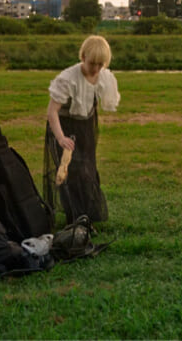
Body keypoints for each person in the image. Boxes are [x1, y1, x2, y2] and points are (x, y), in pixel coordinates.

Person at [43, 34, 120, 226]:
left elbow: (97, 101)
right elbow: (52, 112)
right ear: (83, 57)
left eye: (100, 65)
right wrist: (60, 138)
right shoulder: (68, 79)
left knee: (87, 169)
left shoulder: (103, 76)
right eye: (92, 63)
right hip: (64, 127)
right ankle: (74, 218)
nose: (95, 69)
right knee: (71, 172)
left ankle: (88, 214)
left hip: (86, 126)